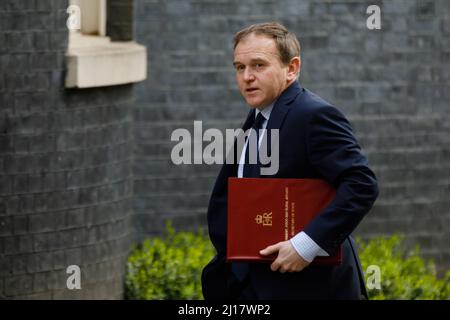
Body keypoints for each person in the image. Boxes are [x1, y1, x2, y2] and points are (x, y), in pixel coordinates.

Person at [201, 22, 379, 300]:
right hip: (254, 282)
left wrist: (305, 246)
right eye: (239, 67)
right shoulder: (259, 115)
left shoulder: (313, 115)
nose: (247, 76)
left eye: (258, 65)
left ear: (292, 68)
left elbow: (361, 185)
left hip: (310, 286)